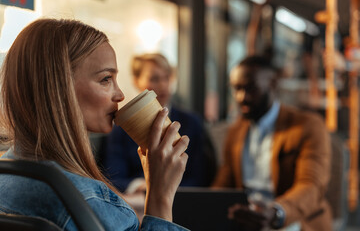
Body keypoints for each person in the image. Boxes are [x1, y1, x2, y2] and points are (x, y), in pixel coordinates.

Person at [0, 19, 190, 230]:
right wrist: (160, 198)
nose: (120, 94)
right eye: (106, 79)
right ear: (60, 89)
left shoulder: (6, 175)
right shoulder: (88, 203)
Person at [212, 55, 332, 230]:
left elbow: (311, 186)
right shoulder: (236, 131)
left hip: (292, 218)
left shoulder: (308, 126)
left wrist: (277, 212)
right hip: (248, 221)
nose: (241, 97)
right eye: (236, 89)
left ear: (273, 84)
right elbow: (224, 182)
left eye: (251, 89)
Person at [100, 53, 217, 194]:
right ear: (136, 81)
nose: (163, 85)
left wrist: (163, 190)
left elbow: (200, 178)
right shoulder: (121, 129)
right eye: (154, 79)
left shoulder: (192, 122)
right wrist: (147, 187)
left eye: (167, 78)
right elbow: (113, 178)